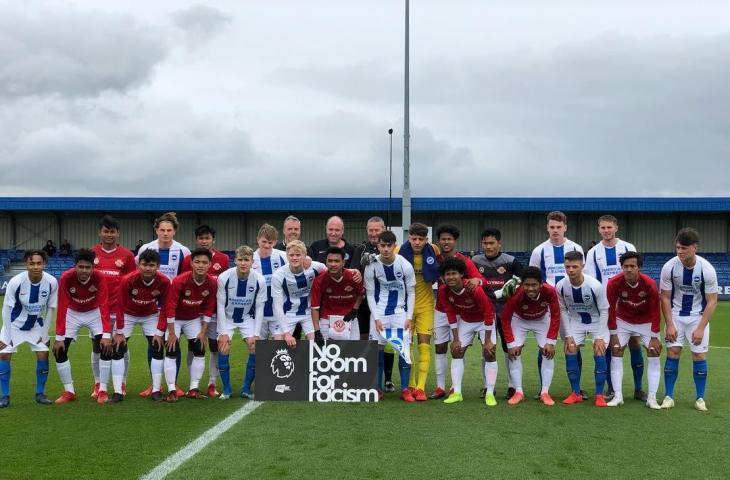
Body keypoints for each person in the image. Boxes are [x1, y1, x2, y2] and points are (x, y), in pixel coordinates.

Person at [583, 214, 643, 401]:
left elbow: (635, 274)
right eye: (603, 228)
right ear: (598, 229)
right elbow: (592, 280)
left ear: (616, 227)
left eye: (609, 227)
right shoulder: (593, 252)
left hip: (628, 304)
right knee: (608, 346)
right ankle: (610, 388)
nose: (606, 231)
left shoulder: (628, 247)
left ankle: (638, 388)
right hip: (606, 306)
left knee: (634, 343)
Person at [659, 228, 717, 411]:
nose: (680, 252)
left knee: (699, 355)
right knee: (672, 353)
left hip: (697, 318)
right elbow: (665, 297)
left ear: (694, 248)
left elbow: (712, 301)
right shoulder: (669, 267)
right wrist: (669, 324)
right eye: (677, 247)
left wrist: (700, 328)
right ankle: (669, 396)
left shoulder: (706, 269)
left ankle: (700, 398)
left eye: (684, 248)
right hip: (676, 316)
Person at [529, 211, 583, 397]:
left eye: (558, 227)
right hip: (547, 307)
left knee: (572, 344)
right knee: (544, 345)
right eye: (552, 227)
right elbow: (533, 280)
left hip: (571, 307)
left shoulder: (576, 248)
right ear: (547, 228)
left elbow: (583, 276)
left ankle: (576, 389)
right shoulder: (539, 251)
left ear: (565, 228)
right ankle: (543, 389)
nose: (555, 231)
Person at [155, 248, 217, 402]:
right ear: (191, 263)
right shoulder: (179, 281)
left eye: (204, 262)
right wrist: (171, 333)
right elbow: (170, 307)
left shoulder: (211, 283)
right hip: (175, 319)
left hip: (192, 319)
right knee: (171, 349)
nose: (200, 265)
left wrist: (203, 331)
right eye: (197, 262)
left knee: (200, 348)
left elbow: (209, 307)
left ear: (210, 264)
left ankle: (194, 388)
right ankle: (171, 390)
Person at [53, 249, 113, 404]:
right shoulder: (66, 277)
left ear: (93, 267)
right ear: (75, 266)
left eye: (88, 267)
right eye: (81, 267)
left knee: (106, 347)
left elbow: (104, 303)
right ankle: (69, 391)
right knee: (59, 350)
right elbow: (62, 306)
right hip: (73, 313)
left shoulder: (99, 277)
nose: (84, 271)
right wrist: (59, 337)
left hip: (94, 313)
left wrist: (107, 334)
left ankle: (103, 390)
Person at [0, 250, 58, 407]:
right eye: (32, 263)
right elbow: (6, 308)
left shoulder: (52, 282)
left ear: (44, 264)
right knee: (4, 355)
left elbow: (51, 309)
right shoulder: (16, 282)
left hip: (36, 326)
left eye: (39, 263)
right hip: (14, 325)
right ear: (26, 264)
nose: (35, 267)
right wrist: (7, 335)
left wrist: (45, 334)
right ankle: (4, 396)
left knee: (43, 354)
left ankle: (40, 394)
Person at [470, 227, 523, 399]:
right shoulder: (475, 260)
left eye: (492, 243)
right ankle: (487, 386)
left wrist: (513, 286)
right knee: (487, 349)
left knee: (509, 349)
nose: (488, 247)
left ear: (499, 243)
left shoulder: (511, 261)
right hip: (485, 311)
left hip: (507, 312)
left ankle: (512, 386)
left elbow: (523, 280)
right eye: (485, 243)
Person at [431, 224, 482, 400]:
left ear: (455, 241)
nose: (446, 242)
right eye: (443, 239)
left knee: (457, 347)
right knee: (439, 347)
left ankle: (454, 387)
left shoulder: (465, 261)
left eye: (449, 239)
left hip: (459, 311)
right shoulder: (434, 258)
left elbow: (478, 279)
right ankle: (439, 387)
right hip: (440, 310)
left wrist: (473, 280)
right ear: (439, 241)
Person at [437, 257, 497, 406]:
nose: (451, 277)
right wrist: (455, 339)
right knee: (456, 351)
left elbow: (488, 312)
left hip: (484, 321)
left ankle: (490, 393)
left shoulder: (474, 289)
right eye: (447, 274)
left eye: (454, 273)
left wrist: (488, 340)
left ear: (462, 274)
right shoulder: (443, 290)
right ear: (443, 277)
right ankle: (457, 392)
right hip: (466, 321)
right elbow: (450, 313)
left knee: (490, 353)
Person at [364, 230, 416, 402]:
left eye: (389, 245)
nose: (385, 249)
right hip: (379, 313)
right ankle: (377, 389)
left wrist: (409, 317)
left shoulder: (405, 265)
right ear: (377, 246)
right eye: (382, 245)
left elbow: (411, 292)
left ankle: (406, 389)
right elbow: (370, 294)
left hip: (400, 313)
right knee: (376, 351)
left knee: (404, 351)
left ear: (395, 246)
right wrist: (377, 318)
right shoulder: (371, 265)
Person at [606, 251, 662, 409]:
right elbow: (610, 309)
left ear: (639, 268)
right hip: (623, 320)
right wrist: (613, 334)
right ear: (621, 267)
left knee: (654, 352)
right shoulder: (613, 283)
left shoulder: (649, 283)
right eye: (625, 266)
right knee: (616, 350)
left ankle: (652, 398)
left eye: (632, 266)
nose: (629, 269)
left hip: (645, 322)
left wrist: (655, 336)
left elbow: (655, 311)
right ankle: (618, 396)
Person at [180, 225, 230, 398]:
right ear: (196, 240)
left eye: (207, 238)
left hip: (215, 310)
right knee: (194, 346)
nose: (204, 241)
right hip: (193, 310)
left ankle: (212, 383)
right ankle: (194, 383)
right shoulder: (188, 259)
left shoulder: (223, 259)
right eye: (201, 238)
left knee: (215, 347)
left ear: (213, 240)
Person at [555, 251, 610, 407]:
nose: (571, 270)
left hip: (596, 321)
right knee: (570, 349)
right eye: (567, 266)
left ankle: (599, 395)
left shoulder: (595, 285)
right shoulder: (561, 286)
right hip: (576, 321)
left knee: (599, 351)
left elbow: (605, 310)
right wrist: (569, 335)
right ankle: (575, 393)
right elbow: (563, 310)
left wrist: (599, 336)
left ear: (582, 266)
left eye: (574, 266)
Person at [501, 266, 561, 406]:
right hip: (520, 320)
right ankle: (519, 392)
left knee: (547, 353)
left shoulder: (550, 291)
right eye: (526, 285)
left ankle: (545, 392)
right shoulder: (516, 294)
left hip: (541, 320)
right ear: (522, 284)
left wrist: (551, 342)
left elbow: (556, 316)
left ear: (541, 284)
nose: (530, 288)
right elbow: (505, 319)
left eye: (534, 285)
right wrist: (510, 344)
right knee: (514, 353)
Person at [90, 215, 136, 399]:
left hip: (120, 309)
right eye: (106, 231)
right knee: (96, 347)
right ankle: (98, 382)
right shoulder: (91, 253)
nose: (109, 235)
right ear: (99, 232)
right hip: (97, 310)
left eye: (112, 231)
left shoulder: (127, 255)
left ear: (118, 233)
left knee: (120, 346)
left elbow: (133, 283)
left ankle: (122, 382)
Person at [117, 249, 171, 402]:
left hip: (150, 316)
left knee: (157, 347)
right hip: (128, 314)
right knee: (118, 348)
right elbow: (119, 306)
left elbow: (166, 308)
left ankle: (156, 390)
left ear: (158, 266)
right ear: (138, 265)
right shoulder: (127, 280)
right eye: (144, 264)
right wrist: (119, 331)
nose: (148, 268)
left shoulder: (164, 281)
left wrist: (160, 332)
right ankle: (117, 391)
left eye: (152, 265)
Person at [350, 216, 397, 391]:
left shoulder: (392, 249)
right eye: (371, 230)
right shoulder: (361, 248)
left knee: (386, 340)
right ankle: (367, 377)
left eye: (377, 230)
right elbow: (354, 270)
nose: (374, 233)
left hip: (385, 303)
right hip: (364, 302)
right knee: (364, 339)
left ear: (384, 229)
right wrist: (359, 270)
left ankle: (388, 379)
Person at [396, 222, 440, 401]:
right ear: (409, 238)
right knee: (407, 346)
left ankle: (420, 388)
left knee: (424, 346)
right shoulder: (398, 250)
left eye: (421, 239)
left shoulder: (434, 250)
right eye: (414, 239)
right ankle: (411, 384)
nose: (417, 242)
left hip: (426, 306)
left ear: (426, 240)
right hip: (404, 307)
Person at [216, 245, 267, 400]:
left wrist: (256, 334)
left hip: (247, 318)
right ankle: (227, 389)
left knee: (255, 347)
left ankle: (246, 388)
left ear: (252, 261)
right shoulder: (224, 278)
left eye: (246, 260)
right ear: (235, 261)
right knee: (223, 347)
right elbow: (220, 305)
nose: (243, 263)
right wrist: (223, 332)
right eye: (240, 259)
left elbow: (259, 308)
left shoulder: (259, 280)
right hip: (227, 318)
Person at [271, 240, 327, 347]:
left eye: (298, 255)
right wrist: (287, 334)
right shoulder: (278, 275)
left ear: (305, 255)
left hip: (308, 313)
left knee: (318, 345)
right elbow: (277, 306)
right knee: (277, 343)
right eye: (291, 255)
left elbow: (331, 272)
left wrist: (352, 271)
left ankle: (310, 363)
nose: (294, 258)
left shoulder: (315, 267)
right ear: (287, 256)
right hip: (289, 313)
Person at [311, 247, 364, 341]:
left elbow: (361, 294)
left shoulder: (354, 277)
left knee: (355, 350)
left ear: (343, 262)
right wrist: (317, 331)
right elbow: (315, 308)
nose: (333, 264)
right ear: (326, 262)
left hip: (349, 318)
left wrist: (355, 309)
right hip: (326, 319)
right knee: (325, 351)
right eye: (330, 261)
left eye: (336, 261)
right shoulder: (319, 280)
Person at [252, 224, 289, 342]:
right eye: (264, 241)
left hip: (279, 312)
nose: (267, 245)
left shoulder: (283, 256)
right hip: (258, 313)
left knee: (279, 347)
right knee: (258, 349)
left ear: (275, 242)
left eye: (270, 242)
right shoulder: (250, 259)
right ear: (257, 239)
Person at [136, 212, 191, 280]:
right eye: (162, 230)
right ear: (156, 230)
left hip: (173, 290)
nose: (165, 233)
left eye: (169, 230)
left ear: (174, 231)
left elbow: (187, 275)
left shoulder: (184, 251)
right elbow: (137, 270)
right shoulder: (145, 248)